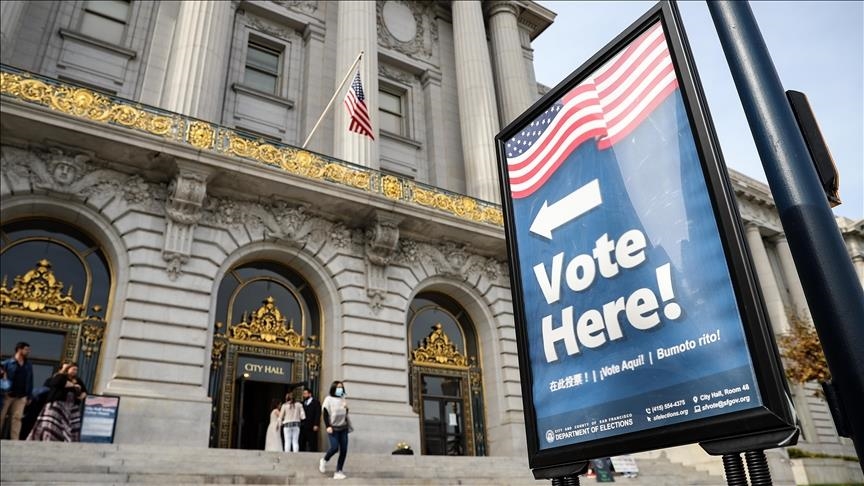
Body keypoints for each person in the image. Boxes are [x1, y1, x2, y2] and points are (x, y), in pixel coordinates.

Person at [27, 362, 87, 442]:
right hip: (57, 405)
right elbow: (57, 383)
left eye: (76, 370)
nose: (75, 371)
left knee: (70, 425)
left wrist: (81, 396)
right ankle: (48, 439)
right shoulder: (60, 376)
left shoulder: (78, 380)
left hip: (70, 407)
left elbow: (84, 391)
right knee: (52, 423)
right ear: (67, 369)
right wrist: (73, 386)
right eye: (73, 369)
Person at [1, 342, 34, 440]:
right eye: (26, 349)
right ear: (19, 349)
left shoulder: (28, 365)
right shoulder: (7, 363)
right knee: (1, 416)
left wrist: (29, 396)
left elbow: (30, 380)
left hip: (22, 396)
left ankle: (15, 440)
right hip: (7, 395)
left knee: (17, 418)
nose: (28, 351)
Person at [319, 380, 350, 480]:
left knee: (344, 449)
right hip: (333, 428)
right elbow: (325, 413)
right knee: (335, 447)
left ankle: (339, 471)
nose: (340, 389)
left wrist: (346, 407)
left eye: (341, 387)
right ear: (333, 388)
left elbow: (345, 413)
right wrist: (327, 426)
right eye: (338, 387)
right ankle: (324, 460)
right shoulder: (328, 399)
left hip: (343, 427)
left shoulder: (343, 399)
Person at [299, 387, 321, 452]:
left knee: (312, 443)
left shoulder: (316, 402)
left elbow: (318, 414)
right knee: (301, 442)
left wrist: (316, 424)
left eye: (305, 394)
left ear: (310, 394)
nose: (304, 395)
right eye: (303, 394)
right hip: (303, 426)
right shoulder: (302, 403)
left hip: (312, 426)